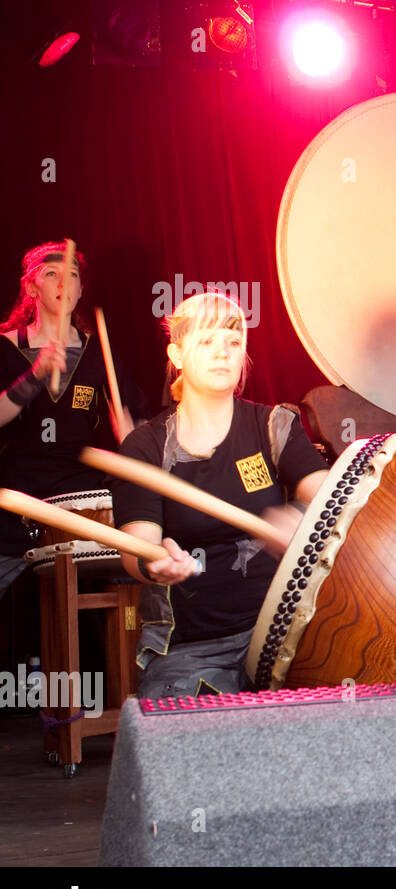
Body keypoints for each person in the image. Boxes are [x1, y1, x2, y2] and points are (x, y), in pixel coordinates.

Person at [111, 292, 327, 699]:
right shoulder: (146, 446)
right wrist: (156, 563)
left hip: (284, 632)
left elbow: (329, 496)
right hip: (191, 646)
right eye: (206, 341)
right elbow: (136, 548)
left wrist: (300, 515)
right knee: (177, 739)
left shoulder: (273, 426)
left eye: (232, 342)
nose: (222, 353)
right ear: (176, 354)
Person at [0, 240, 150, 600]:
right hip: (14, 500)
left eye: (72, 275)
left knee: (131, 587)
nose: (64, 283)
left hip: (80, 501)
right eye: (52, 274)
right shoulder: (4, 348)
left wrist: (133, 440)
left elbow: (142, 423)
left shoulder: (99, 351)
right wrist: (35, 377)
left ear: (81, 289)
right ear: (31, 287)